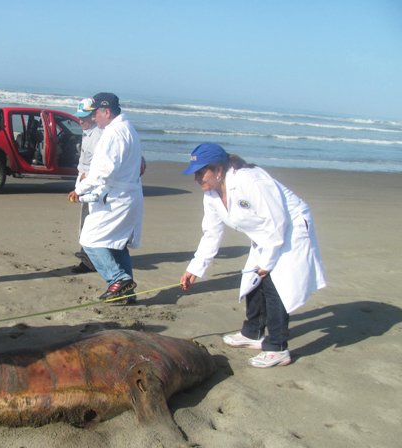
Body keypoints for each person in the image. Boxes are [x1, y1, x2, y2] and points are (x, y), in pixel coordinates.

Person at [179, 143, 326, 368]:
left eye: (201, 172)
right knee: (252, 277)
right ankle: (253, 333)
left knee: (274, 282)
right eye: (195, 173)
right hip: (265, 231)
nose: (197, 178)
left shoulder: (251, 181)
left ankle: (278, 348)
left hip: (291, 227)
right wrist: (195, 268)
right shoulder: (211, 195)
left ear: (219, 170)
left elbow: (277, 220)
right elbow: (211, 233)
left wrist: (268, 261)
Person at [68, 93, 144, 304]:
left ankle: (118, 279)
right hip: (127, 195)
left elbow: (103, 171)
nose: (93, 119)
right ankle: (127, 293)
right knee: (116, 244)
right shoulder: (128, 128)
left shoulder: (113, 133)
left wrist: (80, 189)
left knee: (90, 239)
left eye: (95, 114)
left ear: (106, 112)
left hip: (118, 198)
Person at [71, 97, 101, 274]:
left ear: (93, 115)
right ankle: (89, 257)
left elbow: (102, 165)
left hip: (92, 185)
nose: (80, 120)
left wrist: (86, 176)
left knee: (89, 222)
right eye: (79, 116)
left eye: (84, 116)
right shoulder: (88, 132)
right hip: (84, 182)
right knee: (86, 221)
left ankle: (88, 261)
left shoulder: (98, 135)